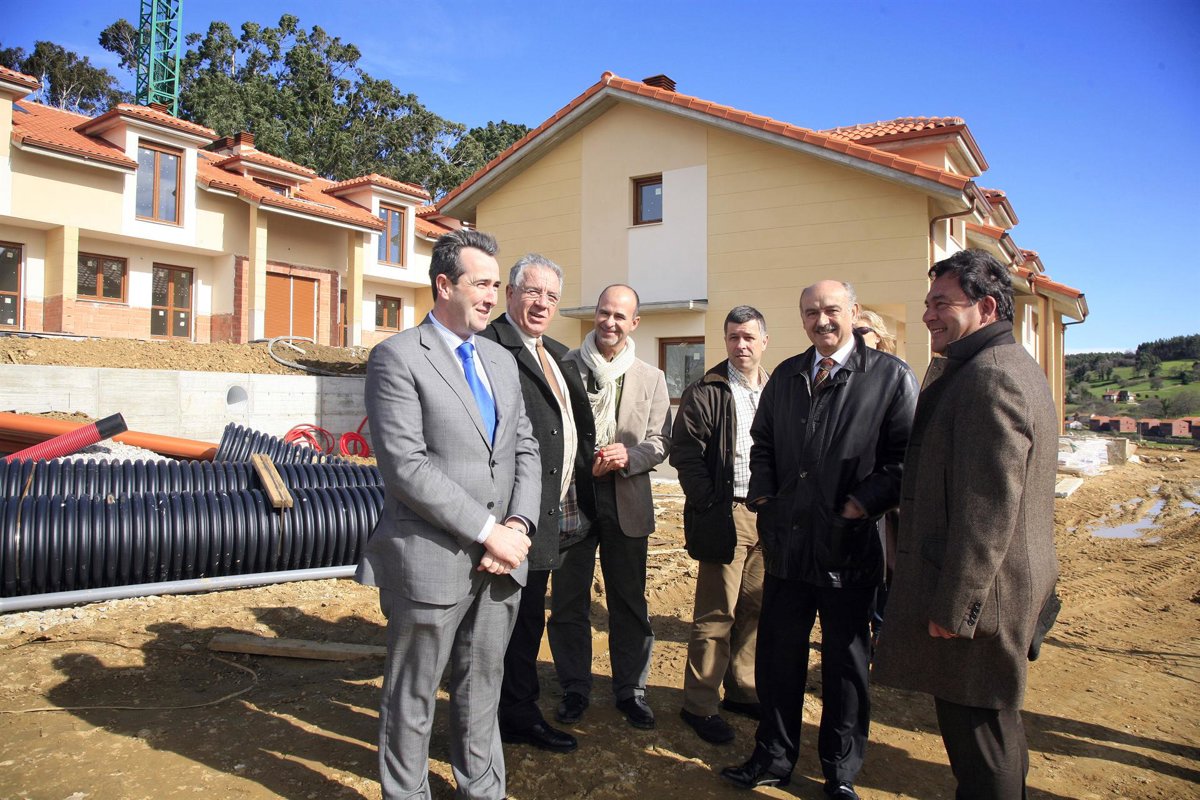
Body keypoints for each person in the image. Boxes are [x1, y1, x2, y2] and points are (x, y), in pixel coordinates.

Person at [357, 229, 540, 800]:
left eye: (496, 285)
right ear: (444, 285)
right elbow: (406, 466)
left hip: (501, 561)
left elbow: (525, 447)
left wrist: (518, 526)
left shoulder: (501, 360)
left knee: (482, 689)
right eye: (480, 284)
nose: (491, 296)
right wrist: (489, 531)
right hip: (431, 561)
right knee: (412, 697)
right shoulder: (397, 357)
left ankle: (482, 790)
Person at [873, 249, 1059, 799]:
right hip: (999, 590)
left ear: (986, 306)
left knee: (981, 739)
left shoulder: (989, 378)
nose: (928, 314)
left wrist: (959, 607)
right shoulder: (1001, 364)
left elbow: (988, 511)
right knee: (995, 728)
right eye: (928, 303)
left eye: (942, 303)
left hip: (984, 598)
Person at [722, 280, 917, 800]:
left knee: (845, 667)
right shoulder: (788, 376)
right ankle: (773, 756)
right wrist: (765, 498)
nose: (822, 320)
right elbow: (762, 444)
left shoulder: (889, 377)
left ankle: (840, 771)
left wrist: (862, 504)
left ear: (853, 311)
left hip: (850, 549)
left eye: (831, 310)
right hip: (787, 549)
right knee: (778, 659)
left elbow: (905, 459)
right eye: (811, 312)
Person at [479, 253, 597, 754]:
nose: (542, 303)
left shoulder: (558, 354)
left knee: (527, 620)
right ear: (509, 294)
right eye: (532, 292)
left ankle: (513, 711)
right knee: (506, 624)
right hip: (511, 519)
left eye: (551, 295)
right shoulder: (489, 347)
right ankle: (507, 718)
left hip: (552, 513)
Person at [548, 284, 671, 730]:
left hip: (626, 500)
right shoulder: (563, 368)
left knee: (628, 601)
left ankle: (630, 691)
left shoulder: (651, 378)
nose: (610, 322)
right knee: (568, 600)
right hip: (572, 499)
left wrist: (629, 456)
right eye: (604, 313)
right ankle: (574, 687)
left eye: (620, 316)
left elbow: (661, 441)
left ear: (634, 323)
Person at [671, 305, 770, 744]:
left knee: (755, 608)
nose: (741, 345)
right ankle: (699, 704)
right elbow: (685, 453)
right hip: (725, 513)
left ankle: (743, 690)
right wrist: (710, 504)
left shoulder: (776, 389)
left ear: (764, 340)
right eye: (733, 337)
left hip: (768, 516)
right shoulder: (707, 390)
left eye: (748, 337)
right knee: (717, 613)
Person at [853, 308, 901, 650]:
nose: (856, 339)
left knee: (888, 564)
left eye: (862, 332)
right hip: (851, 492)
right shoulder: (843, 376)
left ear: (879, 337)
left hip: (886, 492)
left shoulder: (895, 376)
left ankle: (882, 631)